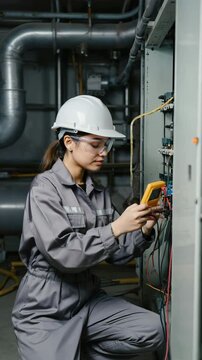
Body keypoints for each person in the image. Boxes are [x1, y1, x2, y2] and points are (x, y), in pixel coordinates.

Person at [12, 95, 164, 360]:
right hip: (45, 309)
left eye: (105, 145)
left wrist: (144, 230)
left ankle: (84, 350)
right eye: (95, 145)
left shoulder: (98, 193)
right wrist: (116, 227)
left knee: (152, 329)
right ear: (69, 142)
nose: (103, 152)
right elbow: (65, 254)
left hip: (87, 300)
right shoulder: (44, 189)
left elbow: (117, 253)